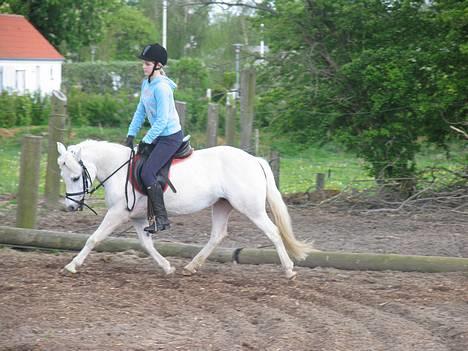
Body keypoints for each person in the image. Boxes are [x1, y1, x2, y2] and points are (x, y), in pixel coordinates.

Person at [125, 43, 183, 233]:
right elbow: (140, 112)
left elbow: (162, 120)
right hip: (159, 136)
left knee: (147, 172)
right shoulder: (146, 84)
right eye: (143, 63)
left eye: (147, 63)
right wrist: (131, 134)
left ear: (158, 65)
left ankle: (161, 219)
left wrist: (146, 140)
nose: (144, 66)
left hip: (170, 137)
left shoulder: (162, 89)